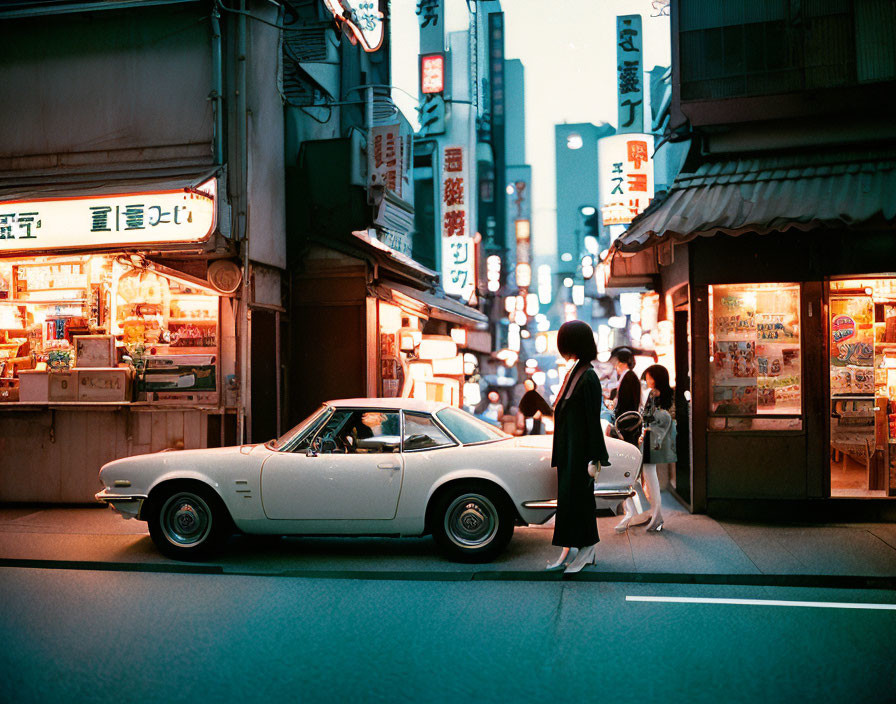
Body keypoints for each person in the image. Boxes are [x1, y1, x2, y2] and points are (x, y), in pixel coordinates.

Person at [547, 320, 611, 574]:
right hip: (568, 452)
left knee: (580, 501)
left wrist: (595, 458)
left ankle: (587, 548)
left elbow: (592, 421)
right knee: (569, 502)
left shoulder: (588, 376)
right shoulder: (576, 372)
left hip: (580, 452)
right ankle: (570, 549)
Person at [615, 364, 675, 533]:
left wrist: (643, 425)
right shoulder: (668, 394)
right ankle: (654, 515)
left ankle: (656, 516)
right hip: (657, 439)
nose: (647, 380)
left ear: (656, 378)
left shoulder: (655, 393)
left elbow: (648, 416)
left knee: (650, 477)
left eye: (649, 377)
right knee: (650, 476)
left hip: (651, 439)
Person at [612, 348, 642, 445]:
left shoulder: (629, 377)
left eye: (617, 362)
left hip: (628, 424)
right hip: (628, 422)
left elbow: (626, 402)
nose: (615, 365)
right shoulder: (628, 376)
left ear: (622, 362)